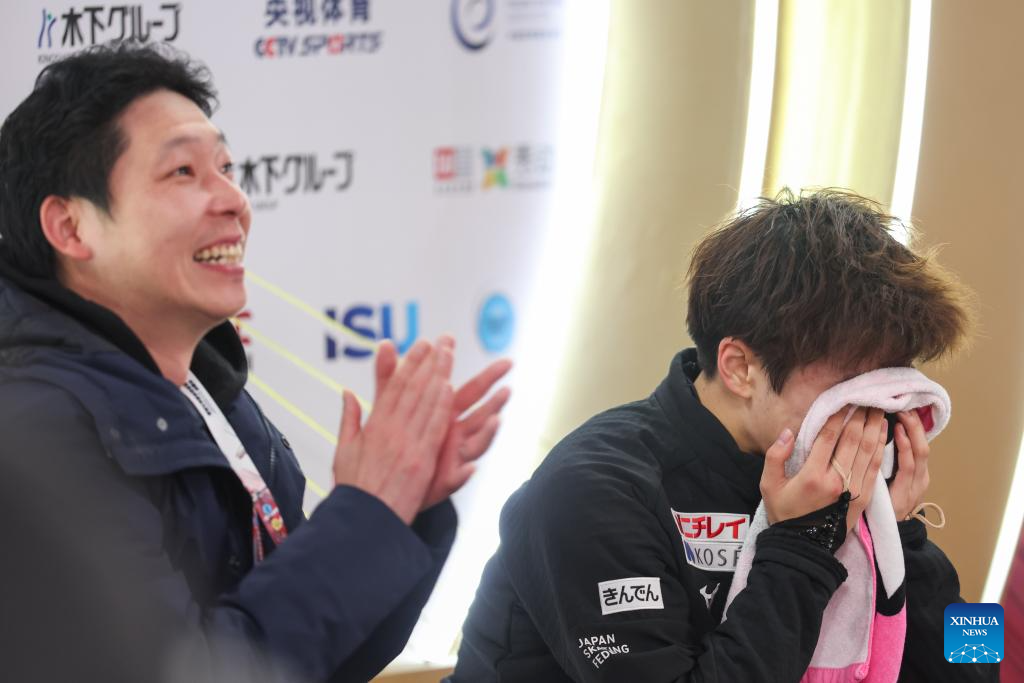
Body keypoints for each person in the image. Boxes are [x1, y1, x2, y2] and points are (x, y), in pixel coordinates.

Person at [0, 43, 510, 682]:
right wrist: (366, 515)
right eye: (182, 172)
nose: (233, 200)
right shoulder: (33, 430)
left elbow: (309, 658)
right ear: (71, 228)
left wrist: (399, 514)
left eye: (226, 167)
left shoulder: (211, 391)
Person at [449, 190, 997, 681]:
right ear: (740, 368)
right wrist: (803, 545)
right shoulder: (594, 489)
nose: (875, 415)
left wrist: (903, 538)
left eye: (894, 386)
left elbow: (980, 661)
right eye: (851, 386)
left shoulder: (850, 483)